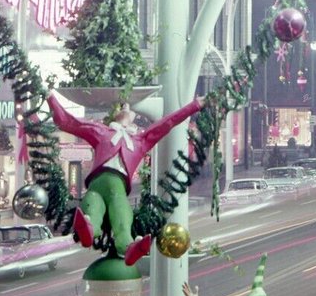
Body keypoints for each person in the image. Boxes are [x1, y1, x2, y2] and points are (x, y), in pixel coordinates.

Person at [47, 90, 204, 266]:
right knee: (92, 202)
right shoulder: (100, 130)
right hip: (96, 187)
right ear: (114, 114)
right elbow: (68, 122)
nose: (125, 107)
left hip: (118, 191)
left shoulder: (141, 140)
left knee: (121, 213)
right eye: (121, 105)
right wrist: (50, 97)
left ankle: (129, 247)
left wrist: (194, 105)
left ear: (135, 116)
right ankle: (89, 230)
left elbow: (168, 123)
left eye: (129, 105)